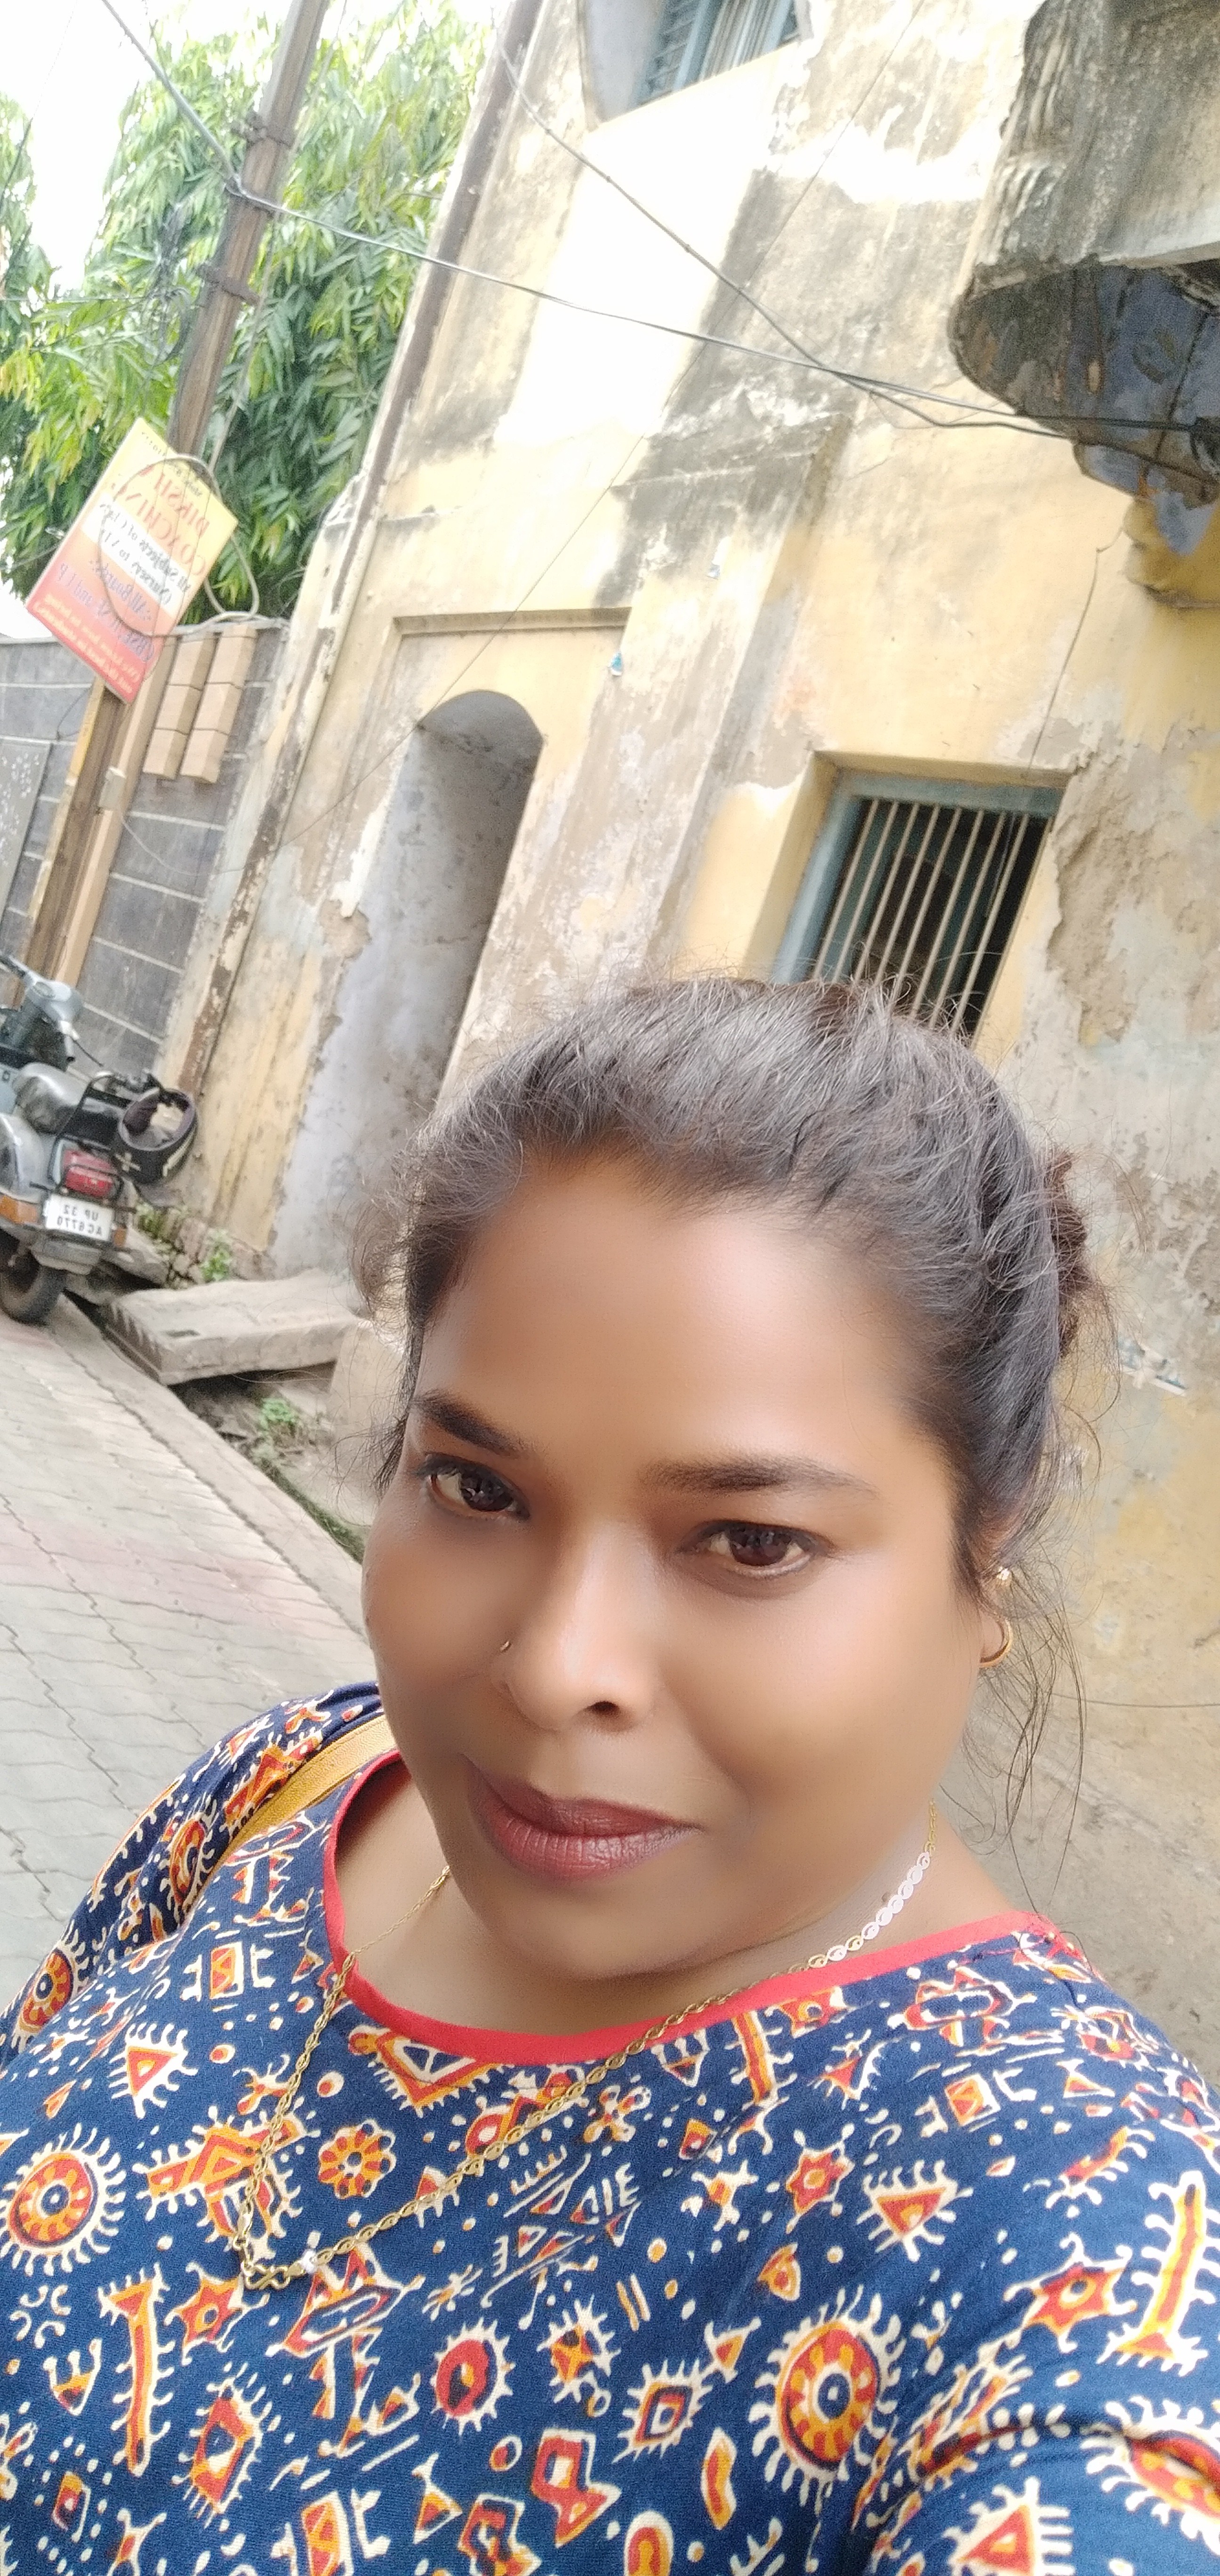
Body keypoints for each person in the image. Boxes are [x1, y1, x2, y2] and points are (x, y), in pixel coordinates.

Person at [1, 976, 1216, 2576]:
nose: (558, 1667)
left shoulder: (1072, 2244)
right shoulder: (289, 1791)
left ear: (985, 1547)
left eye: (750, 1541)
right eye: (477, 1487)